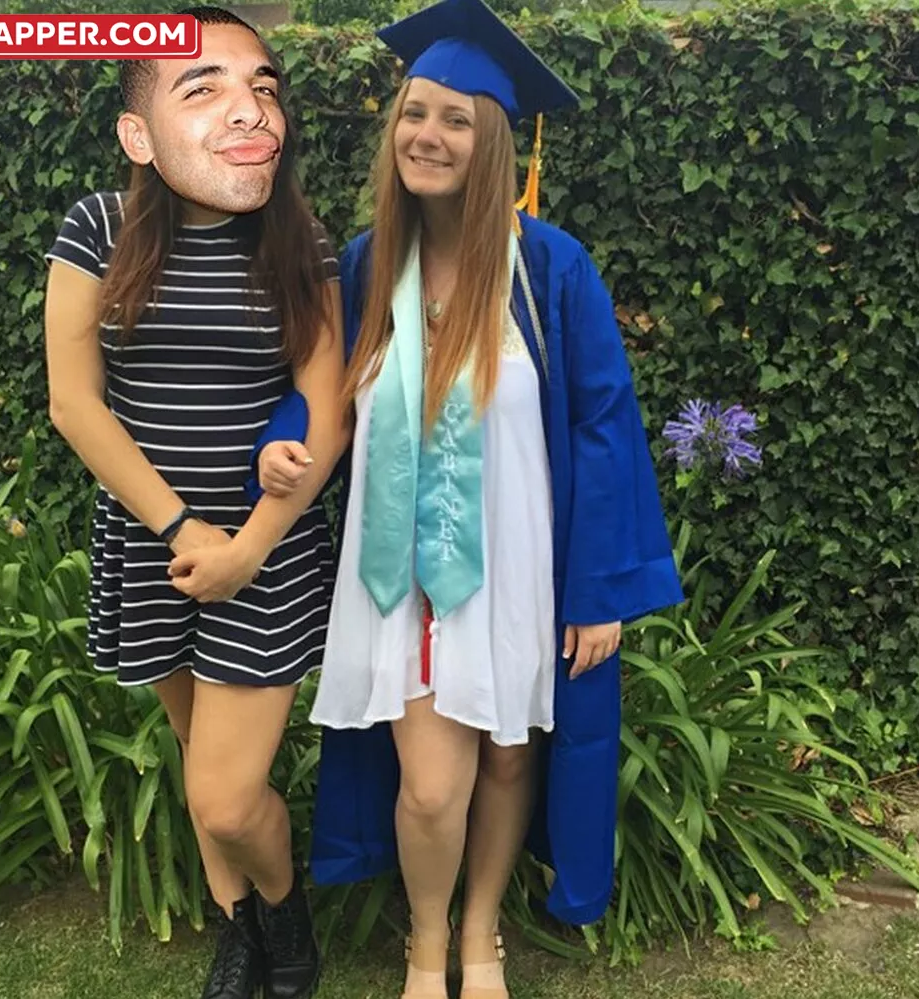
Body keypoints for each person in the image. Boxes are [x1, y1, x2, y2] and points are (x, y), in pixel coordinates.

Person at [256, 0, 683, 995]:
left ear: (492, 141)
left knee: (506, 762)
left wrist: (600, 592)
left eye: (456, 118)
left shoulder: (549, 270)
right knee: (430, 785)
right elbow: (320, 387)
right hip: (402, 576)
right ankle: (427, 939)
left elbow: (604, 426)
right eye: (415, 113)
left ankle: (482, 931)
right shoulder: (368, 263)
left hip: (520, 568)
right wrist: (284, 439)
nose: (428, 135)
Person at [43, 7, 346, 999]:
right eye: (204, 86)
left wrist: (247, 547)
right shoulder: (98, 229)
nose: (248, 107)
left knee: (223, 794)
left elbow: (329, 406)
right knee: (194, 753)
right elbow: (75, 403)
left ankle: (286, 917)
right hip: (154, 544)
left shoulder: (299, 241)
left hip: (266, 551)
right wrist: (181, 529)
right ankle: (240, 929)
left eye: (263, 86)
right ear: (139, 134)